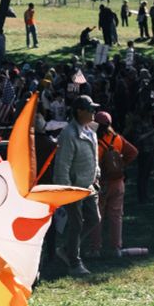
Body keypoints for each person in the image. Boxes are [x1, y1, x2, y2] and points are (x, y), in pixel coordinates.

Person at [52, 95, 101, 276]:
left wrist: (96, 176)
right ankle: (74, 262)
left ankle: (66, 250)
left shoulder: (91, 131)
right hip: (74, 188)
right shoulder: (69, 134)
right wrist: (65, 190)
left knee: (94, 219)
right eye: (90, 109)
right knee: (76, 225)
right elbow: (62, 164)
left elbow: (94, 158)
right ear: (79, 111)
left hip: (89, 186)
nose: (93, 112)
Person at [89, 111, 138, 258]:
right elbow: (134, 152)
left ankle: (95, 249)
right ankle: (116, 248)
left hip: (102, 183)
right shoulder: (117, 138)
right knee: (116, 216)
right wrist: (121, 164)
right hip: (118, 182)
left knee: (97, 217)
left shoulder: (94, 142)